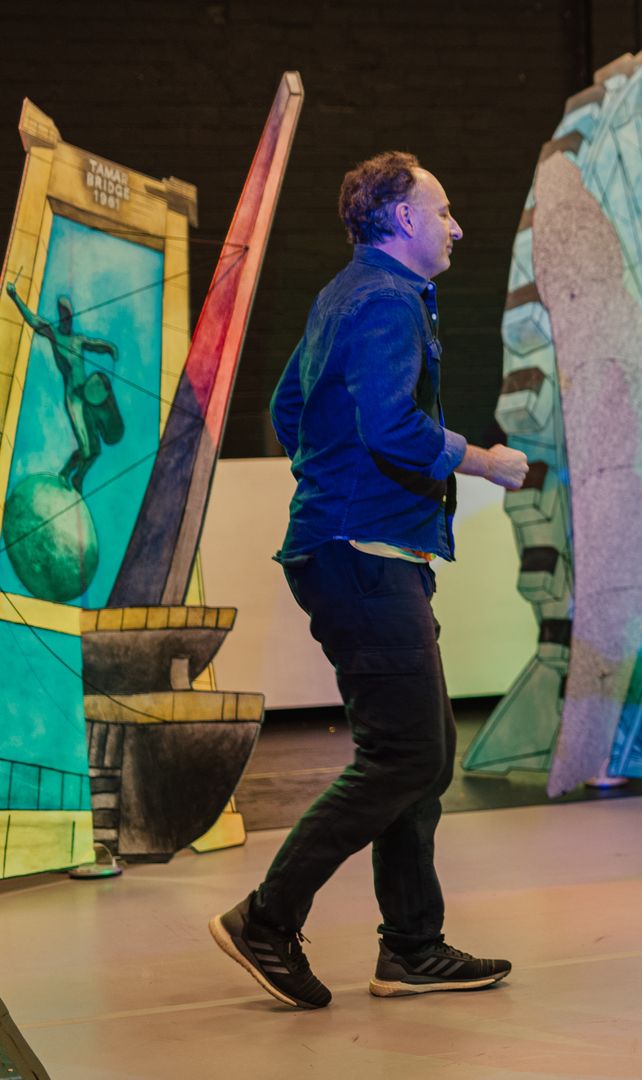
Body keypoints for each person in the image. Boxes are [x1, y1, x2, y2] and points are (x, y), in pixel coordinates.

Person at [208, 152, 529, 1010]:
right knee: (406, 756)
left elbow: (289, 408)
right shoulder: (385, 300)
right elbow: (391, 424)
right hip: (362, 553)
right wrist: (486, 461)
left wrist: (332, 476)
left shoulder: (344, 294)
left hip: (354, 546)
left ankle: (413, 948)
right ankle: (266, 921)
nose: (457, 226)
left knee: (421, 756)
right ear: (401, 221)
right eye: (445, 209)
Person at [5, 284, 124, 493]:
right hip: (74, 398)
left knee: (94, 450)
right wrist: (15, 297)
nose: (67, 320)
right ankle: (64, 473)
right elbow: (33, 321)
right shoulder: (53, 334)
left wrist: (109, 348)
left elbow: (95, 343)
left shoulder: (78, 340)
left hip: (88, 395)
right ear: (61, 317)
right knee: (86, 448)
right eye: (64, 316)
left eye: (69, 316)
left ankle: (78, 478)